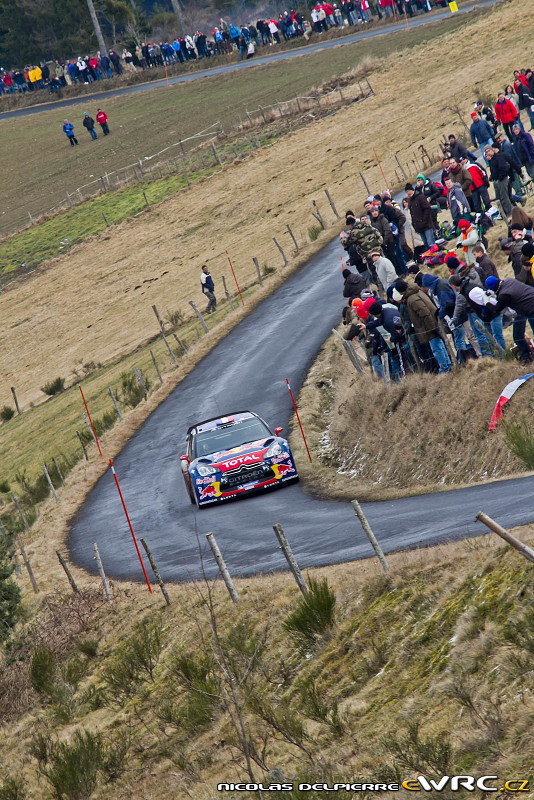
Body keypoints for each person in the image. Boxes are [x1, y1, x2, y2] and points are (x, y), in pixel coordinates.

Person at [393, 279, 452, 373]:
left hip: (428, 326)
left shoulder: (412, 299)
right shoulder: (416, 291)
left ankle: (445, 368)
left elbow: (425, 314)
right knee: (439, 346)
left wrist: (432, 328)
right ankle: (447, 365)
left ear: (400, 291)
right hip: (431, 323)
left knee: (436, 348)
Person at [484, 275, 534, 361]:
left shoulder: (504, 294)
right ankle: (526, 354)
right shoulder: (509, 281)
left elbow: (496, 310)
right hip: (524, 309)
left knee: (518, 336)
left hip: (530, 309)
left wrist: (487, 302)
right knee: (518, 335)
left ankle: (527, 355)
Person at [485, 145, 513, 218]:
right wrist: (492, 177)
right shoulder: (491, 161)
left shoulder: (498, 157)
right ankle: (504, 213)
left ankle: (510, 213)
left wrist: (500, 178)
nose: (488, 153)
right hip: (496, 180)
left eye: (489, 151)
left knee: (504, 197)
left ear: (492, 150)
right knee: (499, 199)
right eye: (486, 152)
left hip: (502, 179)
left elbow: (504, 168)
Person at [405, 183, 435, 249]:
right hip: (418, 227)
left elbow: (427, 208)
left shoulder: (420, 197)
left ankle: (437, 257)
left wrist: (424, 221)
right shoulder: (410, 201)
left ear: (412, 190)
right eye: (406, 192)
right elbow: (412, 214)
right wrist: (414, 224)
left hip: (426, 225)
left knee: (431, 243)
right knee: (426, 244)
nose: (408, 193)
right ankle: (430, 258)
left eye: (409, 191)